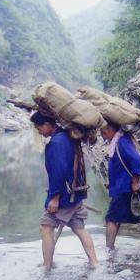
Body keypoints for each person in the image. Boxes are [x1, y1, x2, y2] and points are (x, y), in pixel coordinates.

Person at [30, 112, 98, 269]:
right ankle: (94, 263)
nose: (38, 130)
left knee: (46, 227)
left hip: (64, 196)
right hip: (75, 193)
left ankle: (47, 266)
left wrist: (54, 197)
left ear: (47, 124)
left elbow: (58, 171)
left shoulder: (57, 142)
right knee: (79, 228)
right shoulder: (68, 137)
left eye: (39, 126)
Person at [100, 121, 140, 249]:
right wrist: (112, 182)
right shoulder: (122, 139)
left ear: (110, 129)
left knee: (111, 218)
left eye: (104, 133)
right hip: (124, 186)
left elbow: (136, 159)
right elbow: (121, 165)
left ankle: (109, 249)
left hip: (125, 188)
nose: (104, 136)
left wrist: (136, 182)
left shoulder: (121, 141)